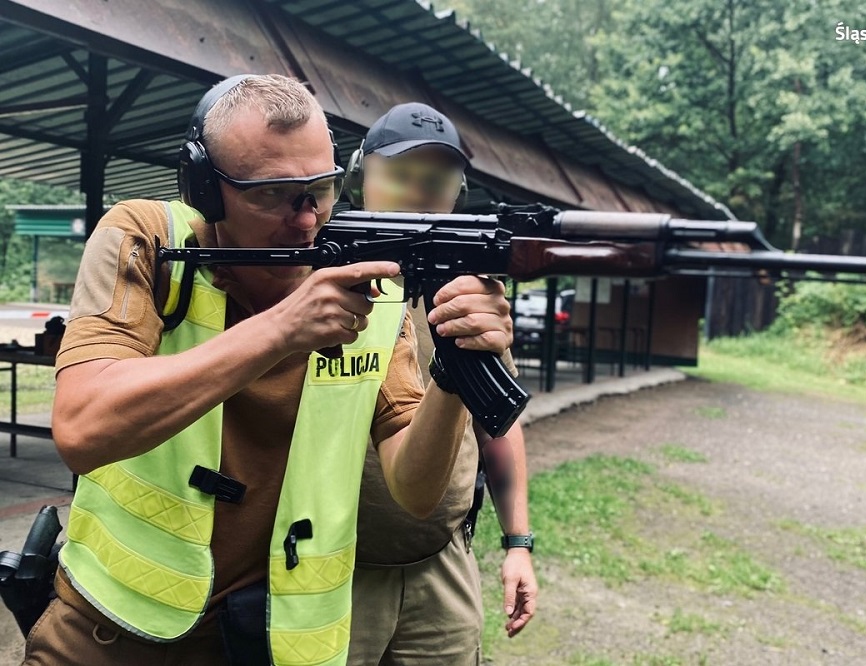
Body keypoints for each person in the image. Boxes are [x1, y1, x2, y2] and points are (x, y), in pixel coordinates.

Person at [21, 75, 513, 666]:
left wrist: (454, 376)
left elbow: (414, 489)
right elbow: (82, 428)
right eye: (273, 195)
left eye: (321, 190)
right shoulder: (148, 238)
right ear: (207, 189)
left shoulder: (367, 280)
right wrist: (284, 327)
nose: (306, 220)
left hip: (263, 639)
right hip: (108, 630)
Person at [343, 102, 538, 666]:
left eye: (437, 180)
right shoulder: (319, 280)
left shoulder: (468, 292)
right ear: (361, 179)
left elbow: (497, 420)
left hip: (441, 565)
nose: (418, 192)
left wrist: (518, 544)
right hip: (331, 565)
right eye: (399, 175)